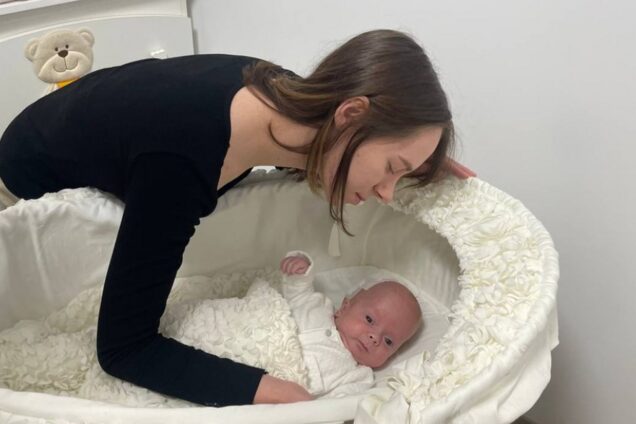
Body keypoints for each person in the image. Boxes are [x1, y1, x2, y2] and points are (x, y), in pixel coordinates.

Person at [0, 29, 474, 406]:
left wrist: (420, 167)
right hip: (23, 174)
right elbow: (123, 349)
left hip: (95, 117)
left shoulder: (299, 106)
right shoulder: (183, 157)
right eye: (392, 168)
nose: (388, 194)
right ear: (350, 115)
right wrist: (276, 392)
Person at [280, 251, 422, 397]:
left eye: (388, 341)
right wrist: (300, 273)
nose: (375, 337)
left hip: (279, 394)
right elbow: (298, 295)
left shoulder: (359, 378)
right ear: (345, 307)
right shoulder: (318, 307)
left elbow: (336, 405)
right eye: (369, 320)